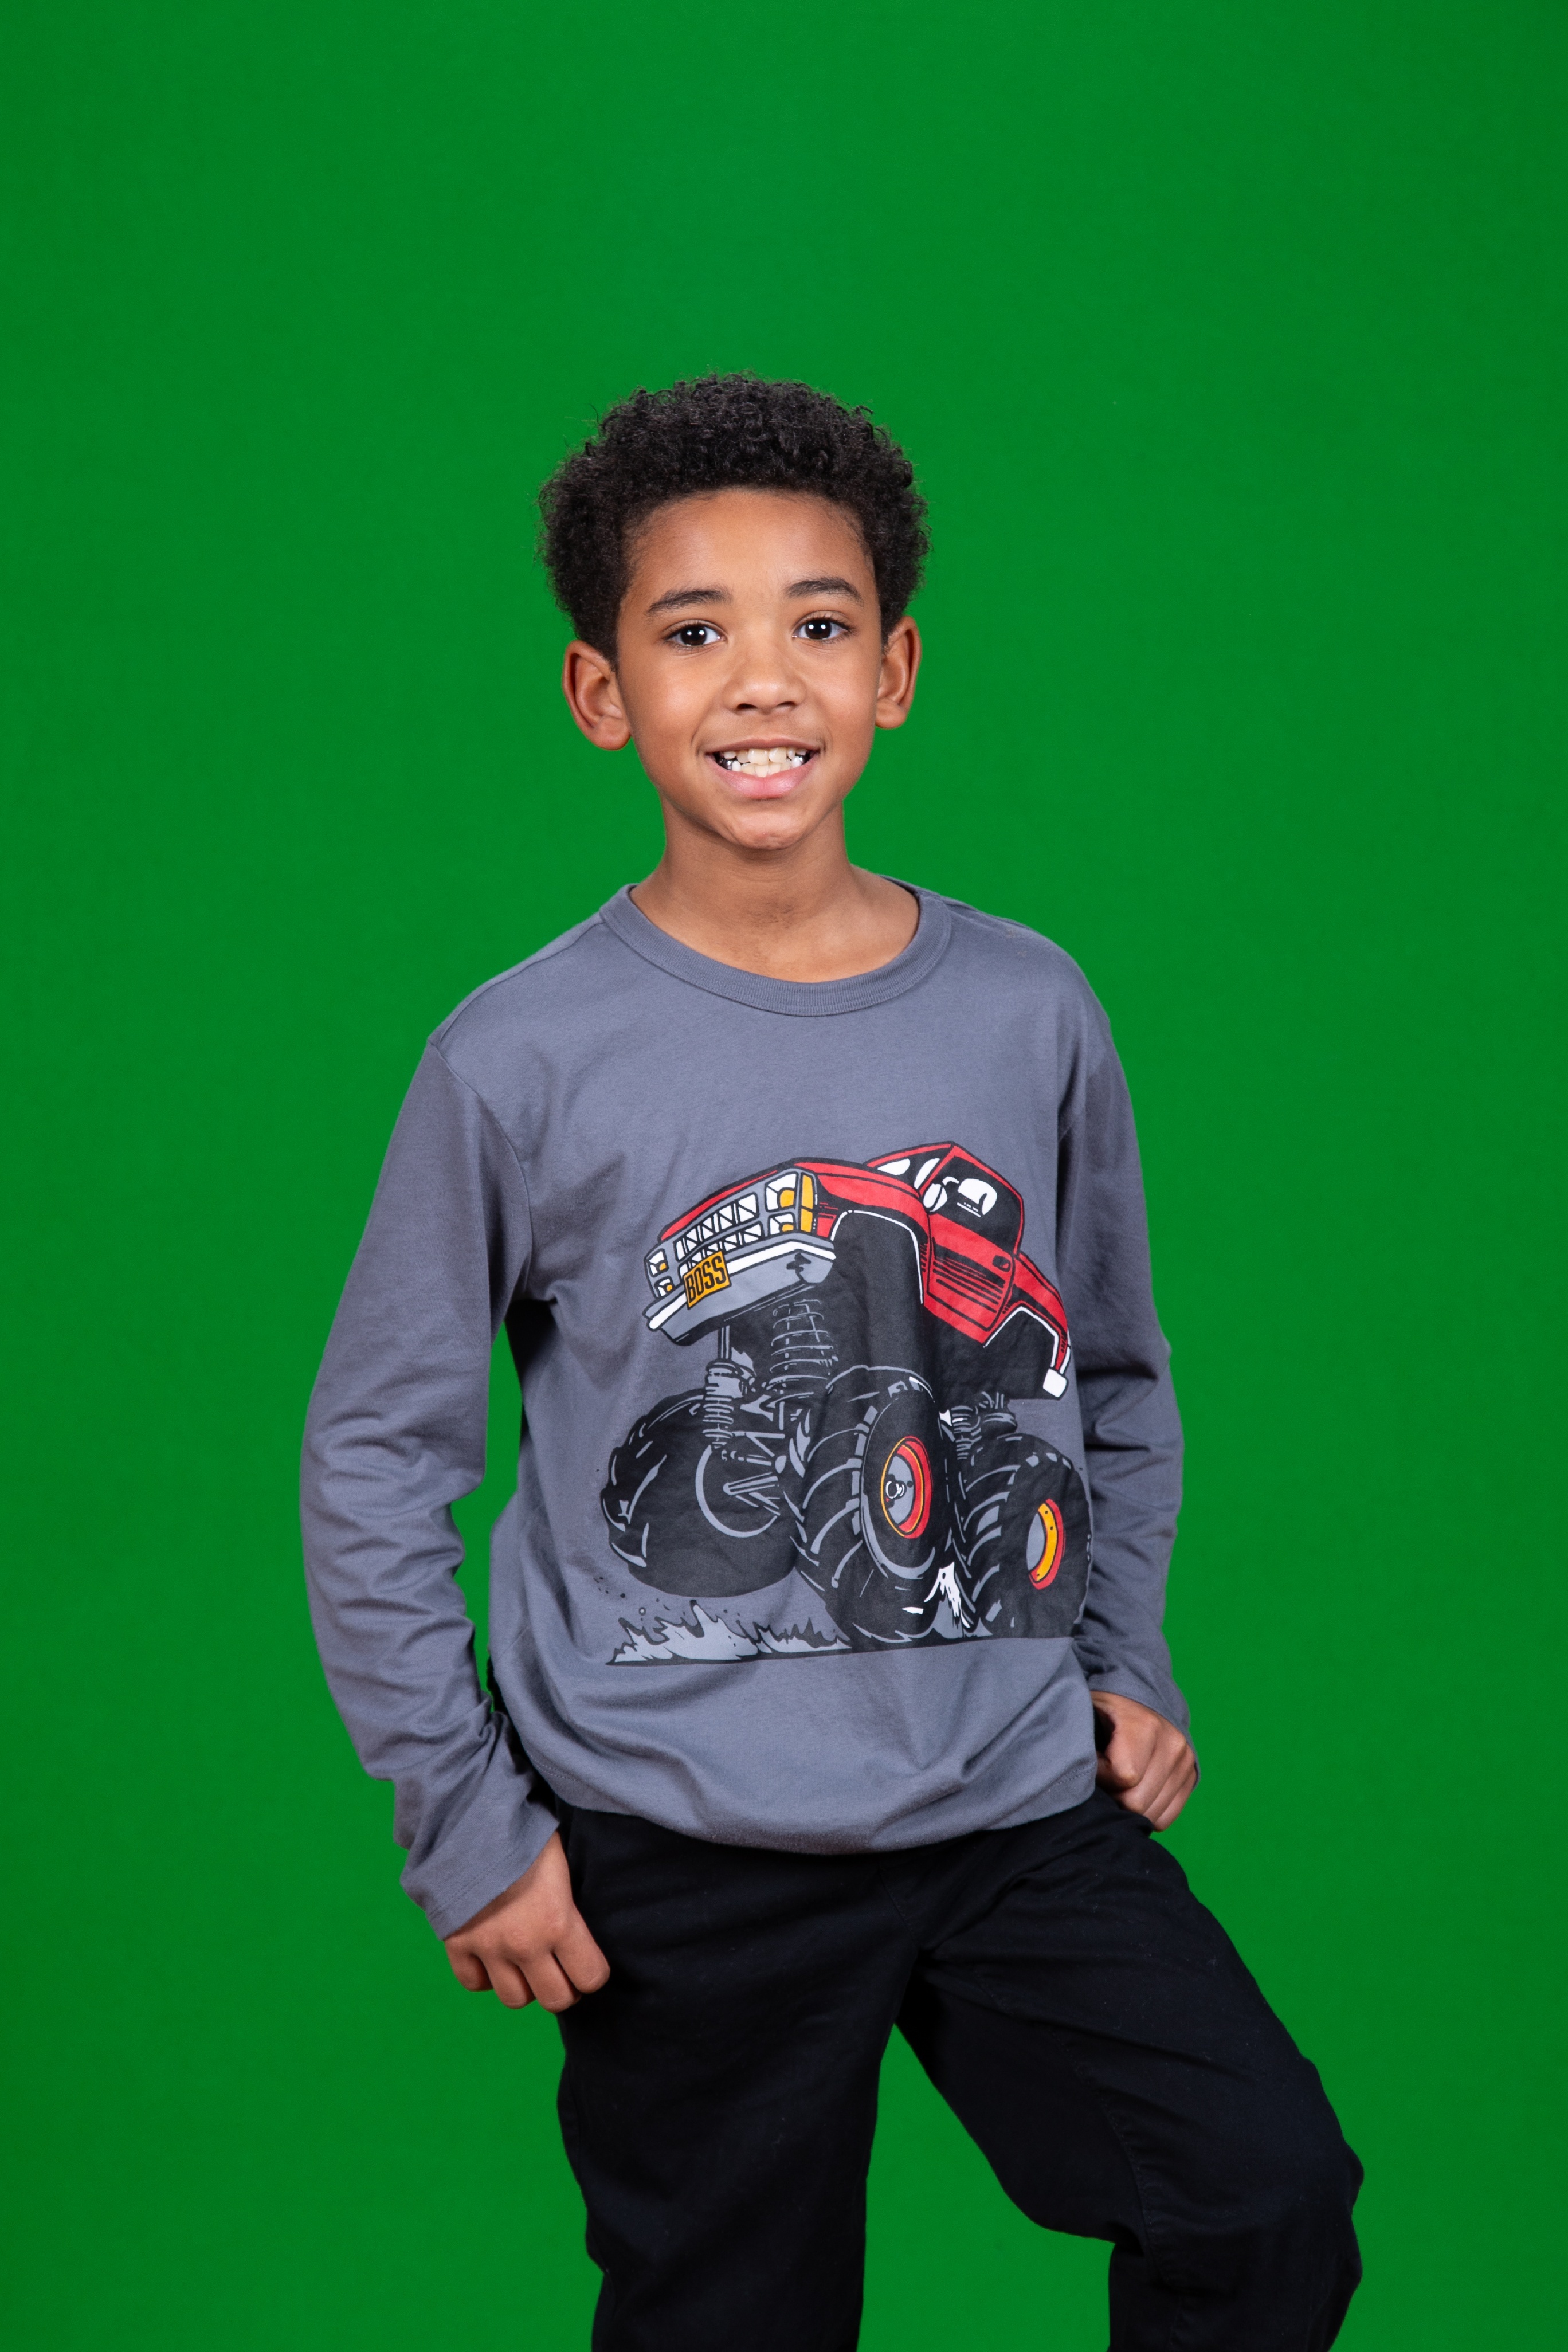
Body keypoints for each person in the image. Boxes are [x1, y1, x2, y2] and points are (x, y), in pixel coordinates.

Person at [301, 374, 1362, 2349]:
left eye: (817, 622)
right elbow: (376, 1453)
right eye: (693, 630)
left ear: (896, 670)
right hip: (676, 1843)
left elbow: (1113, 1379)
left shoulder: (1028, 1008)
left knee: (1261, 2193)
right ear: (602, 692)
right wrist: (467, 1821)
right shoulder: (516, 1058)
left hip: (1010, 1806)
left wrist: (1124, 1653)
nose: (763, 679)